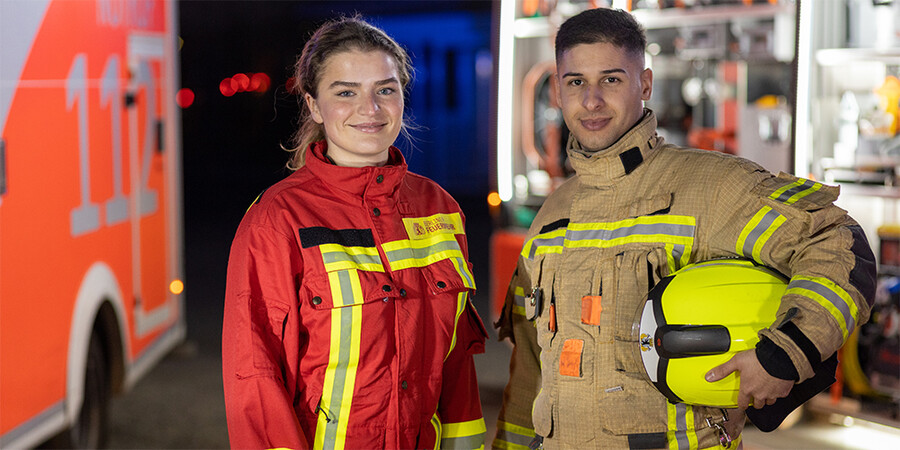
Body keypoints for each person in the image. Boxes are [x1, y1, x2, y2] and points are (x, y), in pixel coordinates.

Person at [493, 7, 876, 450]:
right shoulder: (551, 215)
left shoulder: (710, 187)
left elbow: (837, 243)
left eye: (611, 80)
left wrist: (784, 355)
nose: (592, 100)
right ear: (558, 91)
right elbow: (530, 374)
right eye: (576, 82)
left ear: (646, 84)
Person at [222, 16, 488, 450]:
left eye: (385, 89)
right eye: (346, 92)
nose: (371, 109)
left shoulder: (439, 208)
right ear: (312, 105)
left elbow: (456, 364)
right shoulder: (278, 219)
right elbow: (255, 376)